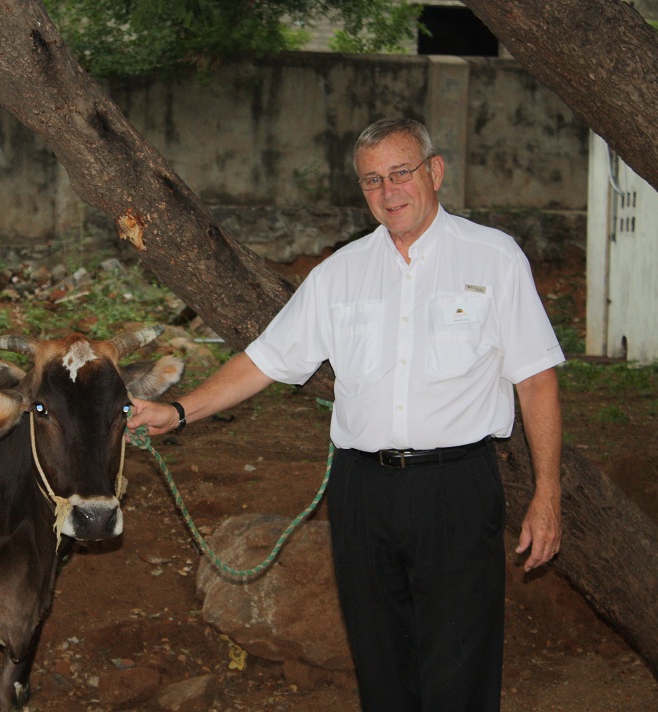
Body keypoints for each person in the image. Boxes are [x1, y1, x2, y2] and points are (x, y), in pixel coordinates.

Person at [129, 118, 564, 712]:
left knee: (460, 671)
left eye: (401, 173)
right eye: (372, 180)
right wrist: (178, 411)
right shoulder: (340, 274)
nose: (389, 192)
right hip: (362, 494)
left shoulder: (494, 258)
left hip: (456, 490)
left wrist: (548, 492)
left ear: (434, 173)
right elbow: (265, 360)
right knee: (381, 669)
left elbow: (536, 378)